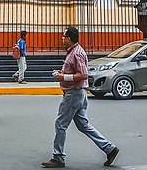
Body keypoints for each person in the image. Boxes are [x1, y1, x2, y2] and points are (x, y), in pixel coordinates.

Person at [41, 26, 119, 169]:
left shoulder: (76, 53)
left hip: (74, 94)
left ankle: (58, 157)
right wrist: (62, 74)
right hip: (78, 93)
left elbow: (83, 75)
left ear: (69, 39)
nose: (62, 39)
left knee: (60, 124)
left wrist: (63, 76)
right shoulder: (73, 52)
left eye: (63, 37)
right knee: (83, 125)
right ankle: (109, 149)